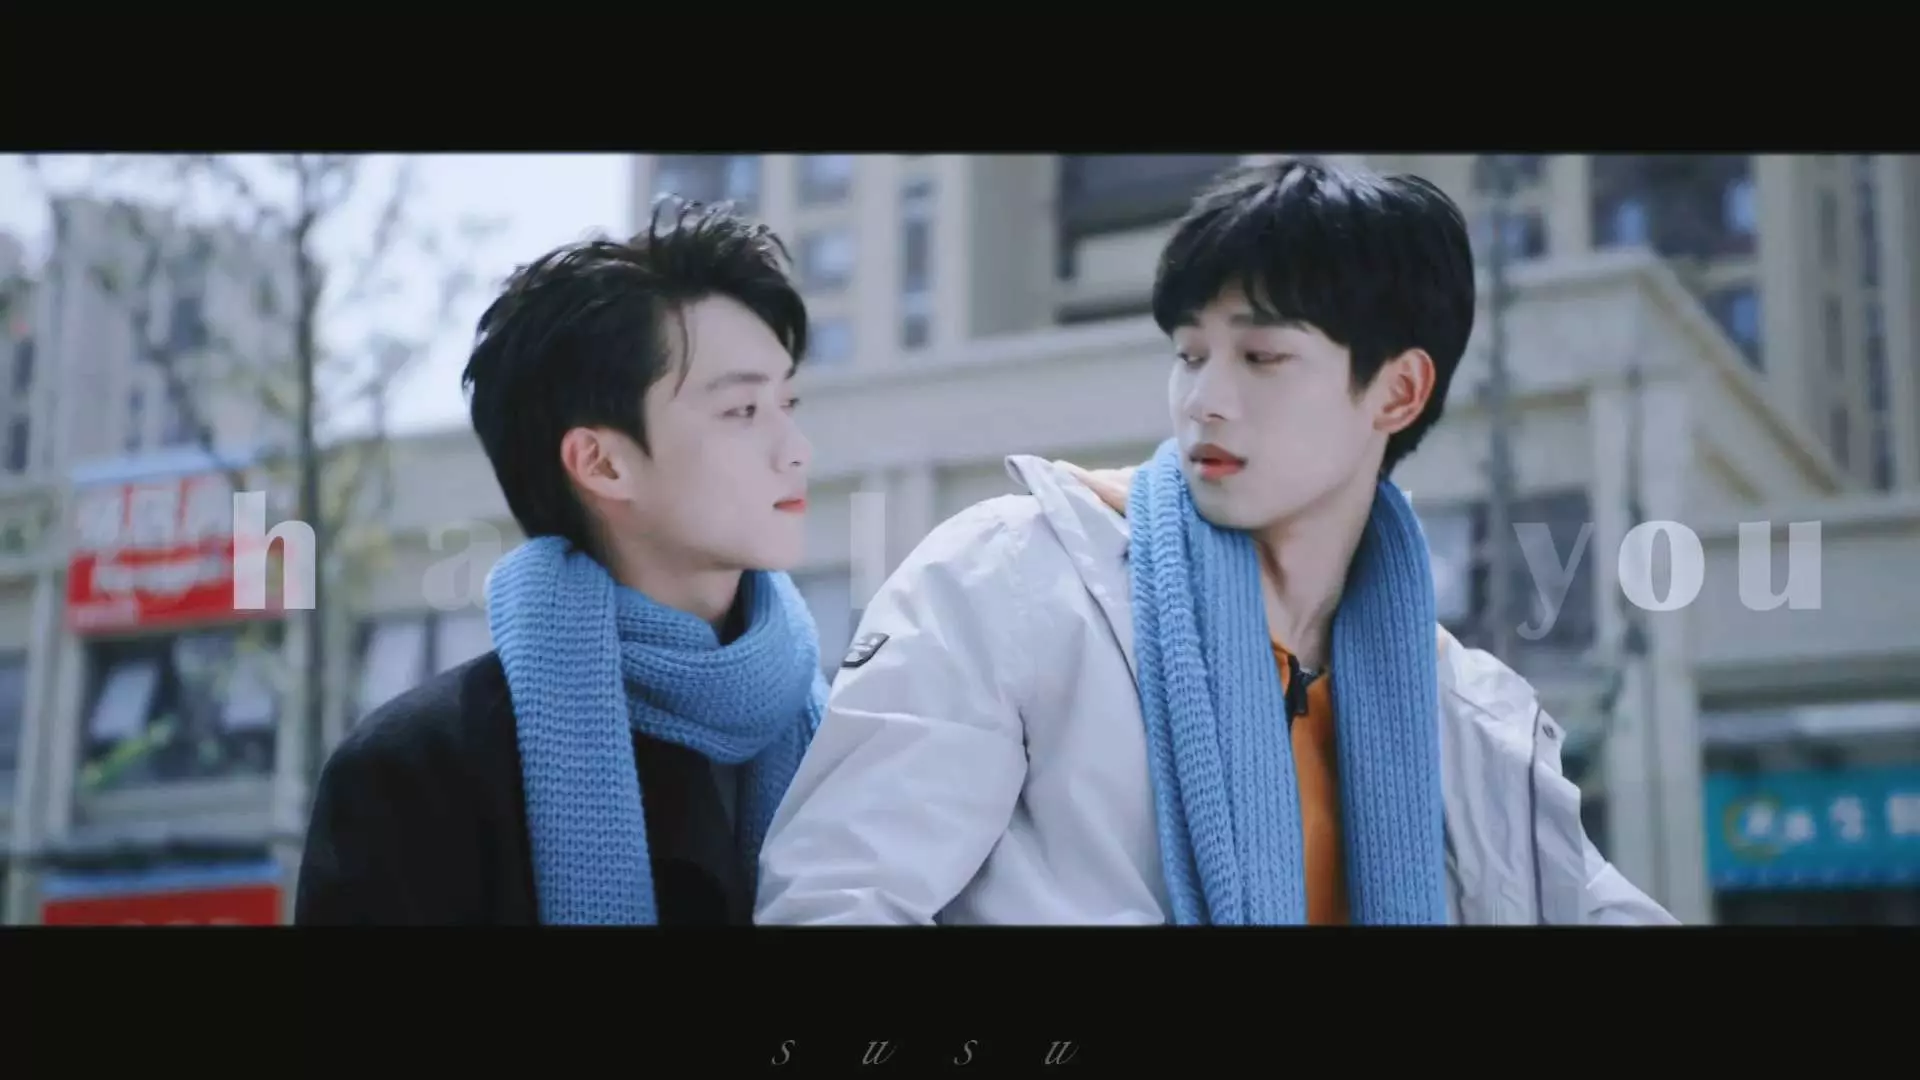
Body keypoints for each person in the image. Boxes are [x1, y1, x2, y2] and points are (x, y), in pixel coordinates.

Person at [755, 158, 1677, 926]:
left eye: (1262, 357)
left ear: (1397, 392)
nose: (1204, 401)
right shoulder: (1014, 583)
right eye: (1190, 354)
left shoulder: (1466, 714)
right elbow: (838, 900)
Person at [297, 200, 827, 925]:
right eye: (742, 411)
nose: (796, 450)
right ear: (601, 463)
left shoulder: (855, 736)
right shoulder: (418, 774)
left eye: (788, 403)